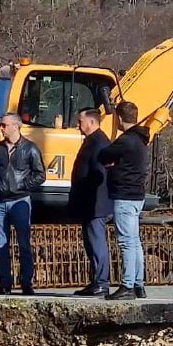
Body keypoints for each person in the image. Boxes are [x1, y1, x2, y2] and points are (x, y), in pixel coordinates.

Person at [0, 113, 46, 295]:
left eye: (4, 125)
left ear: (16, 126)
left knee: (23, 243)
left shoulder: (30, 149)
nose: (1, 128)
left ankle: (26, 283)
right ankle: (5, 284)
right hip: (0, 201)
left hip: (20, 200)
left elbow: (40, 174)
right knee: (1, 244)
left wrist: (22, 186)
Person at [98, 101, 149, 300]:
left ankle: (127, 285)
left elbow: (104, 155)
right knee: (135, 241)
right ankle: (138, 283)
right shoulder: (141, 140)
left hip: (124, 197)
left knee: (127, 242)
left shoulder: (125, 141)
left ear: (119, 118)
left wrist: (112, 165)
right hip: (137, 196)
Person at [69, 108, 113, 296]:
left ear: (92, 122)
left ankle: (102, 282)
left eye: (80, 121)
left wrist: (90, 196)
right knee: (90, 243)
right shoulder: (92, 141)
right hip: (88, 202)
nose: (78, 125)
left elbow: (98, 176)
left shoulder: (99, 143)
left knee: (97, 243)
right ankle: (95, 280)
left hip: (96, 203)